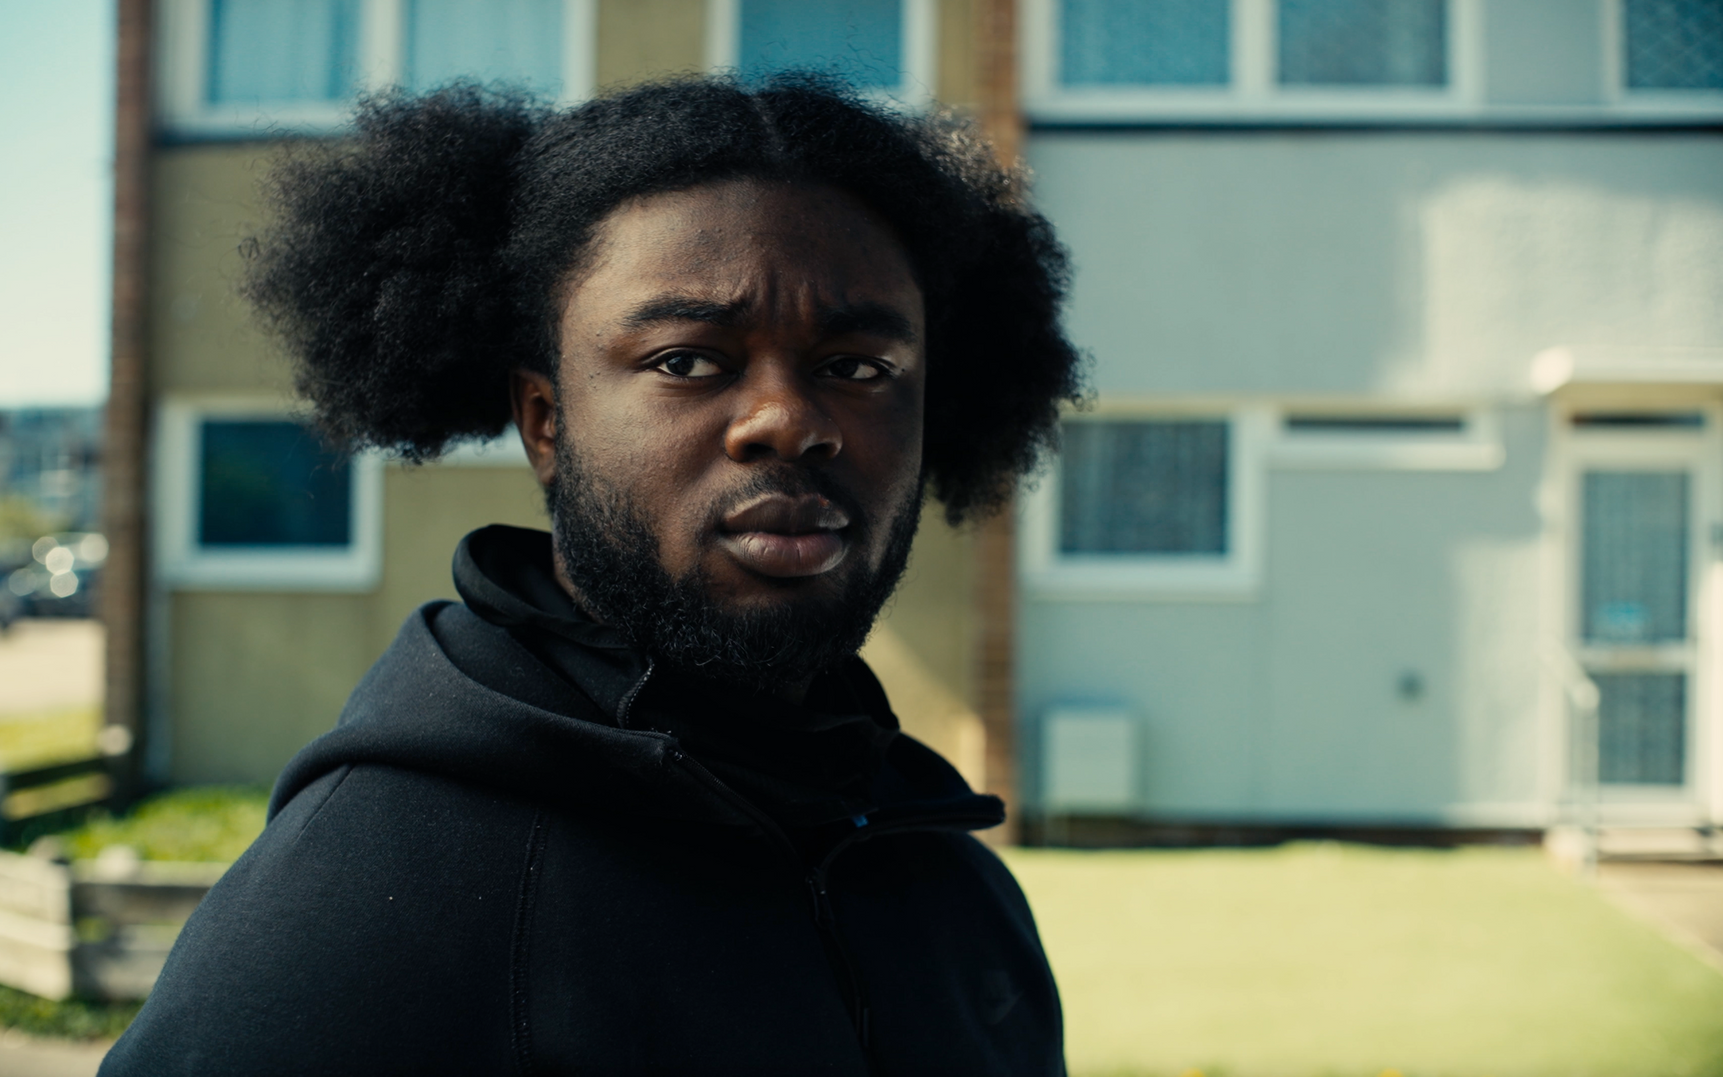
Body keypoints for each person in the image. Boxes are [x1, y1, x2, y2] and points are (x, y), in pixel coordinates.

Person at [102, 74, 1084, 1076]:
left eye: (860, 367)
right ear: (545, 422)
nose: (790, 419)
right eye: (687, 360)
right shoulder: (366, 902)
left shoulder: (952, 881)